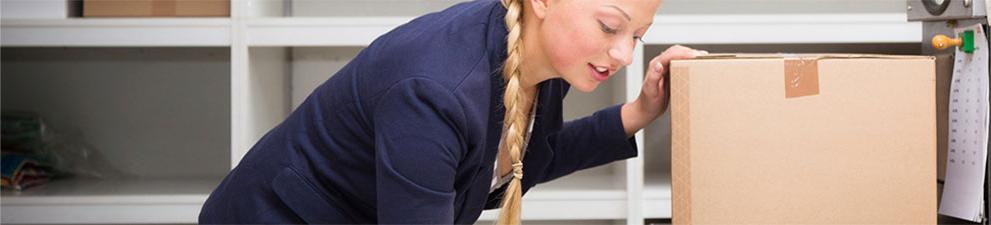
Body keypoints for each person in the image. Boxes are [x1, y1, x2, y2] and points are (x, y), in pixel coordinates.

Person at [199, 0, 705, 224]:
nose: (622, 54)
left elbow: (525, 160)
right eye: (610, 27)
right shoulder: (435, 91)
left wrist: (640, 110)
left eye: (637, 36)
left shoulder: (535, 57)